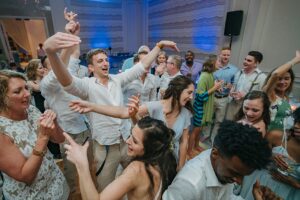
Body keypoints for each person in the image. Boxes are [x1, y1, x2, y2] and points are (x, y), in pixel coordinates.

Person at [43, 31, 179, 191]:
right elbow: (65, 80)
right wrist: (51, 54)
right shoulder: (87, 85)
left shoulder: (116, 79)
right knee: (105, 185)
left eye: (106, 60)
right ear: (91, 67)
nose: (105, 63)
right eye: (100, 61)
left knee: (134, 177)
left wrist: (159, 46)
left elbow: (140, 67)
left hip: (127, 141)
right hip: (105, 147)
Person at [69, 75, 194, 171]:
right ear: (178, 90)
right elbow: (123, 112)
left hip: (172, 161)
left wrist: (181, 165)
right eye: (189, 92)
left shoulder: (186, 113)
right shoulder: (155, 107)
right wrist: (92, 106)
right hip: (152, 160)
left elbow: (183, 142)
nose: (192, 97)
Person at [64, 117, 177, 200]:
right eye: (131, 135)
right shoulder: (164, 160)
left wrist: (81, 164)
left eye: (135, 141)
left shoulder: (136, 170)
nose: (128, 141)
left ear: (149, 148)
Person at [40, 16, 92, 195]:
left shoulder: (68, 71)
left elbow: (74, 55)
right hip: (69, 134)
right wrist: (56, 50)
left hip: (85, 129)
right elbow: (59, 68)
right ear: (47, 68)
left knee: (89, 172)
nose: (62, 67)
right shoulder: (46, 84)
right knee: (75, 181)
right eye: (54, 63)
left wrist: (74, 37)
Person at [0, 70, 69, 199]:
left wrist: (54, 123)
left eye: (26, 88)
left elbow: (59, 139)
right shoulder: (2, 129)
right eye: (17, 91)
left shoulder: (30, 109)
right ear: (2, 98)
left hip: (56, 185)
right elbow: (26, 176)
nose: (27, 94)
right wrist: (43, 138)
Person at [163, 120, 273, 200]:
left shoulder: (225, 168)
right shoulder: (189, 185)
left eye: (244, 176)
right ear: (215, 153)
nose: (239, 182)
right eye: (235, 173)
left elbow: (227, 197)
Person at [238, 107, 300, 200]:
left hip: (289, 194)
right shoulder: (277, 136)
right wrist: (268, 156)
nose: (296, 126)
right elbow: (251, 157)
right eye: (296, 121)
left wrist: (296, 184)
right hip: (262, 184)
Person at [263, 51, 300, 147]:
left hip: (280, 143)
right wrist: (295, 60)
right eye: (280, 79)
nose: (283, 82)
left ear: (291, 80)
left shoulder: (287, 98)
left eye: (286, 78)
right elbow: (275, 74)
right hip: (265, 141)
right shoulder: (269, 94)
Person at [187, 59, 222, 156]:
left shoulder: (211, 75)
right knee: (195, 130)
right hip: (199, 107)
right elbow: (200, 96)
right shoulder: (204, 76)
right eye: (218, 61)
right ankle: (189, 150)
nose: (220, 62)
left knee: (200, 129)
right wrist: (214, 88)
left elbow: (209, 90)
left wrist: (217, 89)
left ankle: (196, 146)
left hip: (204, 107)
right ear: (212, 63)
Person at [226, 51, 266, 120]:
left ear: (256, 63)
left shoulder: (262, 77)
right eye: (245, 59)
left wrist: (245, 95)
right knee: (228, 126)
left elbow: (263, 96)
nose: (245, 62)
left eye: (249, 61)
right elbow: (234, 86)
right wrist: (232, 91)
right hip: (232, 105)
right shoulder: (239, 73)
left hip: (247, 109)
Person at [211, 47, 239, 141]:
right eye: (224, 54)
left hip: (223, 98)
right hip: (211, 97)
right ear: (220, 55)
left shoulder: (234, 70)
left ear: (230, 56)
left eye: (228, 55)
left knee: (219, 120)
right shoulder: (213, 67)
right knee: (208, 118)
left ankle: (213, 138)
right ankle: (205, 134)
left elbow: (234, 85)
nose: (226, 56)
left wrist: (230, 86)